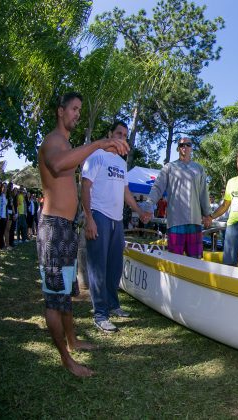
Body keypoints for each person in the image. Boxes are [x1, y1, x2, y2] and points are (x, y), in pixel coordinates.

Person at [37, 92, 130, 377]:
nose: (78, 113)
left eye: (80, 109)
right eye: (75, 109)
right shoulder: (54, 141)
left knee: (64, 294)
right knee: (54, 299)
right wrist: (101, 144)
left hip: (66, 227)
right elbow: (56, 165)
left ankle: (73, 340)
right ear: (60, 111)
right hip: (53, 228)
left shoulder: (65, 143)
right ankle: (66, 360)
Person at [82, 121, 152, 333]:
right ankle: (100, 314)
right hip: (98, 216)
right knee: (98, 268)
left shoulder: (122, 164)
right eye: (118, 133)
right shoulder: (96, 155)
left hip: (116, 220)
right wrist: (88, 218)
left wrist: (140, 211)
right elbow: (84, 186)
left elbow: (126, 193)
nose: (122, 137)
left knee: (114, 267)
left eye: (125, 135)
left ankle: (113, 305)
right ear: (110, 134)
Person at [145, 137, 212, 258]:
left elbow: (204, 193)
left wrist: (207, 214)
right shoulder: (169, 167)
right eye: (181, 145)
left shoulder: (199, 169)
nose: (184, 147)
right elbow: (157, 187)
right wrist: (148, 205)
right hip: (176, 221)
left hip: (195, 221)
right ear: (178, 148)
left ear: (191, 147)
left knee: (195, 261)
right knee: (175, 261)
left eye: (188, 144)